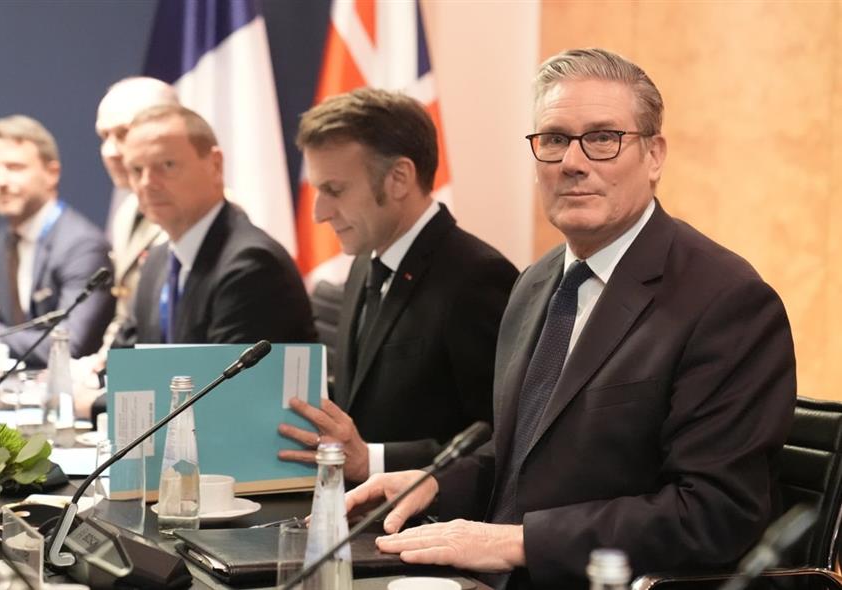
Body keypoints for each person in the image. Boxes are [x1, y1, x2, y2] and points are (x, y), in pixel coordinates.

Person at [344, 48, 796, 588]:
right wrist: (434, 484)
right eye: (554, 139)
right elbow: (525, 458)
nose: (573, 163)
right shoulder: (534, 283)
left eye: (603, 139)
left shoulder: (726, 301)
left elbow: (715, 514)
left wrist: (516, 542)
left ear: (654, 156)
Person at [277, 88, 518, 483]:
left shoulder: (477, 277)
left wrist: (372, 461)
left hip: (433, 516)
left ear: (399, 178)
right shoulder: (363, 263)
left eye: (334, 190)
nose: (319, 213)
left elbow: (501, 440)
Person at [111, 104, 316, 347]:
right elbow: (122, 358)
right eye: (136, 170)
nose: (147, 183)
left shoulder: (250, 265)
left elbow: (228, 372)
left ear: (215, 165)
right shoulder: (157, 261)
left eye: (167, 165)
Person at [0, 115, 115, 366]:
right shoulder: (4, 241)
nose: (1, 181)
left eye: (14, 167)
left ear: (52, 173)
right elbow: (8, 326)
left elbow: (70, 343)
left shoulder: (82, 245)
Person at [95, 77, 175, 348]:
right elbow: (125, 314)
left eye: (123, 133)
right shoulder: (127, 211)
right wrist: (103, 362)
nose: (110, 151)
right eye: (104, 136)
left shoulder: (202, 214)